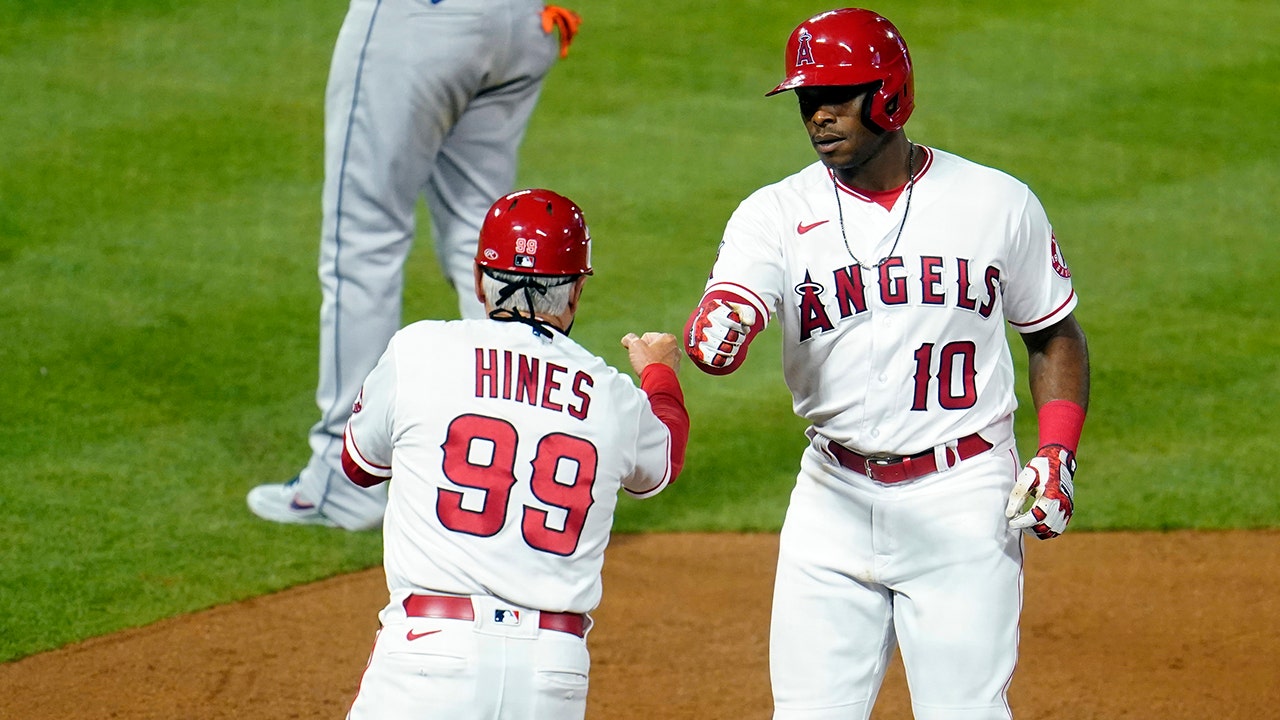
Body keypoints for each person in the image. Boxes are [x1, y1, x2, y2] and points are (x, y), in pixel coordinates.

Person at [683, 8, 1090, 719]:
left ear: (890, 95)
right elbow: (733, 299)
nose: (819, 116)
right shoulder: (773, 213)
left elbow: (1054, 334)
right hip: (831, 497)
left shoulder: (995, 202)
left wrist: (1057, 453)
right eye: (809, 100)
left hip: (962, 496)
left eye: (837, 96)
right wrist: (724, 322)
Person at [340, 188, 690, 719]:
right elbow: (661, 467)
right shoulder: (613, 394)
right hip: (552, 674)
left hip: (430, 654)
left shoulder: (419, 350)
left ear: (480, 281)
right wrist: (659, 372)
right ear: (574, 292)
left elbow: (359, 465)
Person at [247, 0, 583, 530]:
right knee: (487, 240)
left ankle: (346, 477)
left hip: (421, 22)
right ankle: (515, 465)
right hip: (524, 22)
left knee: (364, 237)